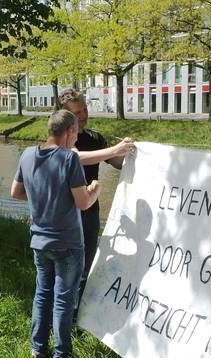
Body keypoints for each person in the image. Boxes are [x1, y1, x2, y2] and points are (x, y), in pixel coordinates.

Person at [10, 109, 100, 358]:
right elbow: (83, 203)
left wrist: (42, 196)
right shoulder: (68, 159)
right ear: (69, 131)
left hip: (39, 241)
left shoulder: (27, 155)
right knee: (63, 299)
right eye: (75, 135)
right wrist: (95, 190)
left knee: (42, 294)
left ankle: (37, 350)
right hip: (68, 243)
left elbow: (15, 192)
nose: (76, 141)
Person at [58, 89, 134, 315]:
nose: (82, 116)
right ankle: (63, 315)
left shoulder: (95, 138)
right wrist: (113, 149)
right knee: (66, 266)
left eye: (84, 110)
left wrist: (129, 151)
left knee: (86, 264)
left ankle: (77, 314)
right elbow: (75, 157)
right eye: (76, 112)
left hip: (90, 209)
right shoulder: (63, 139)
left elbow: (117, 163)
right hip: (68, 212)